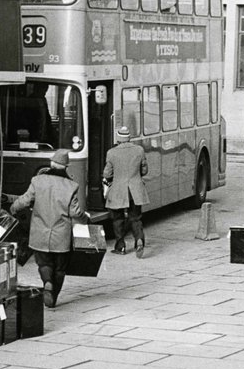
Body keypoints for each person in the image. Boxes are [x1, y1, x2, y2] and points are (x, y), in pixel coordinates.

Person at [10, 149, 85, 308]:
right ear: (66, 167)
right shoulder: (71, 186)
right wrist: (86, 218)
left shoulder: (37, 181)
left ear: (51, 164)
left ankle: (47, 283)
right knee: (60, 268)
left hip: (40, 233)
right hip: (61, 235)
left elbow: (25, 201)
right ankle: (53, 296)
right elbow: (75, 212)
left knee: (44, 263)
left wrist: (13, 208)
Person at [102, 125, 150, 258]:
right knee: (135, 218)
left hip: (118, 190)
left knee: (117, 219)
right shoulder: (139, 150)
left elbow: (107, 173)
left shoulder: (111, 153)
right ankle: (139, 240)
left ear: (118, 139)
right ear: (129, 138)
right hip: (135, 190)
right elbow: (145, 170)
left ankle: (121, 246)